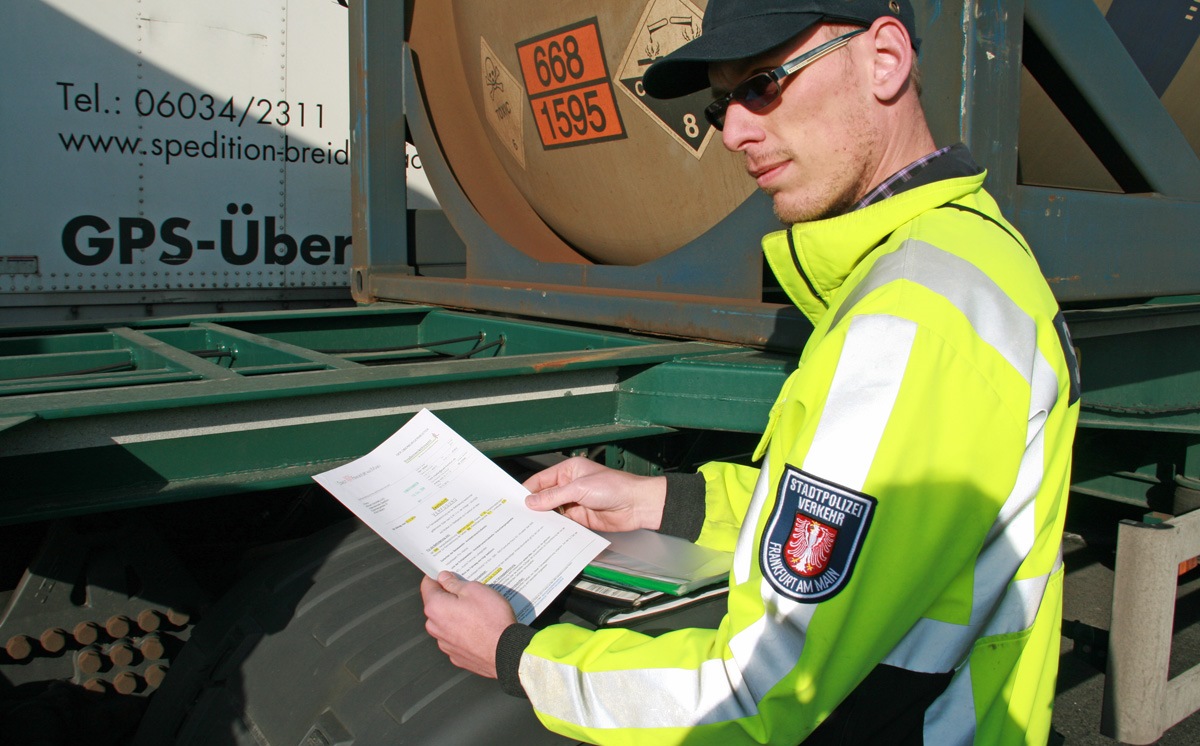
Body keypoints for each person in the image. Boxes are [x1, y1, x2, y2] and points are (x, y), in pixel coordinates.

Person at [421, 0, 1080, 742]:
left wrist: (517, 657)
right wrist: (661, 503)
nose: (733, 131)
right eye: (722, 102)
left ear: (885, 60)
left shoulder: (911, 321)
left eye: (764, 83)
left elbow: (757, 692)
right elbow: (865, 521)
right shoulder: (964, 254)